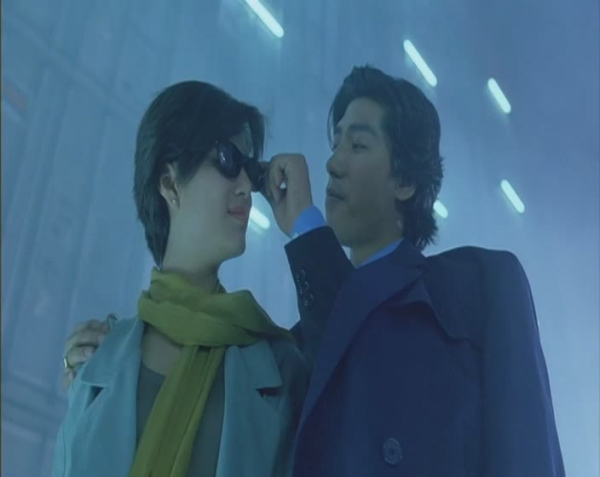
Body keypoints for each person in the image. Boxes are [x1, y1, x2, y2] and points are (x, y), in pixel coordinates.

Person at [63, 66, 565, 476]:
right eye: (335, 143)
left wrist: (307, 230)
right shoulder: (299, 347)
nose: (332, 164)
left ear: (406, 180)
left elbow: (524, 452)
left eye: (358, 145)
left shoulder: (479, 284)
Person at [53, 80, 310, 477]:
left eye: (250, 171)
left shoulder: (279, 367)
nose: (246, 187)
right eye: (227, 160)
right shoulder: (98, 359)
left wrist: (307, 227)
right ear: (170, 183)